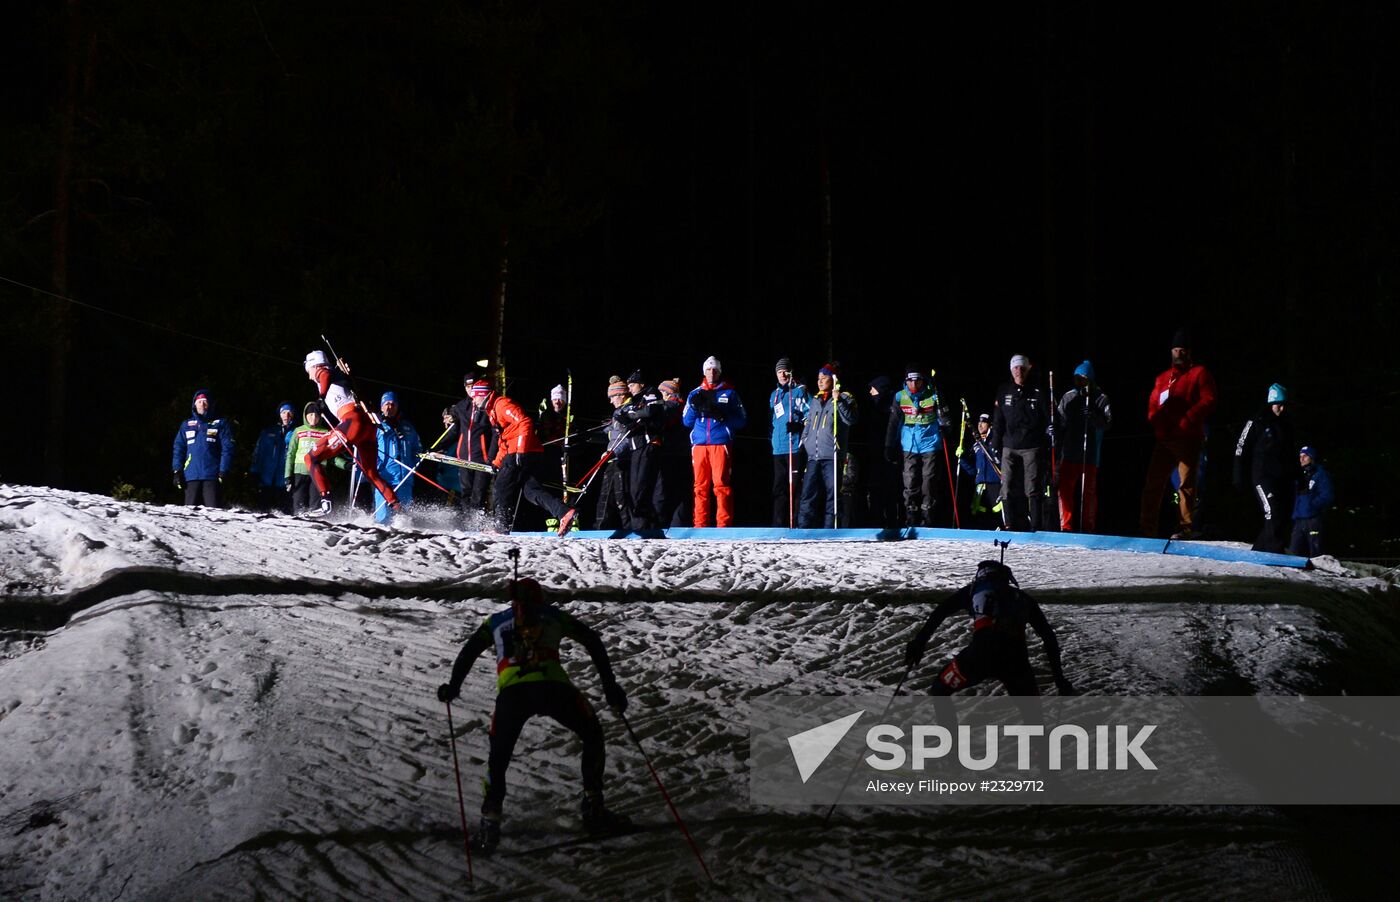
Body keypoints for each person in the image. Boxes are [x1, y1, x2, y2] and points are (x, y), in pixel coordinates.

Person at [436, 576, 630, 851]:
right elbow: (592, 640)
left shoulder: (496, 621)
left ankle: (490, 824)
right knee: (592, 733)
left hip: (513, 693)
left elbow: (469, 651)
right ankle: (593, 808)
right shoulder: (552, 615)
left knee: (499, 755)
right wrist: (609, 687)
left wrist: (453, 687)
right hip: (553, 686)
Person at [903, 560, 1076, 697]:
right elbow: (1048, 637)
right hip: (1016, 659)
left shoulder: (972, 591)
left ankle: (952, 740)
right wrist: (1059, 678)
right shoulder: (1024, 598)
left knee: (940, 690)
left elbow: (940, 612)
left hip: (980, 655)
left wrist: (920, 642)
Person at [1139, 329, 1218, 539]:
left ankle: (1185, 528)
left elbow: (1208, 399)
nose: (1178, 353)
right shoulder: (1164, 378)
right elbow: (1153, 405)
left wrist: (1189, 418)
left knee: (1186, 485)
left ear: (1189, 352)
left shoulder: (1199, 373)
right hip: (1165, 439)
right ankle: (1147, 530)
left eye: (1182, 349)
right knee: (1153, 484)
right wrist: (1157, 425)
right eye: (1175, 349)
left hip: (1188, 438)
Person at [302, 351, 400, 517]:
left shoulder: (323, 372)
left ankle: (325, 504)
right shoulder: (338, 375)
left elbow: (324, 374)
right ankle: (397, 508)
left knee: (310, 458)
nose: (309, 374)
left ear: (314, 365)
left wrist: (321, 398)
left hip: (352, 422)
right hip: (367, 427)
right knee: (371, 473)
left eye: (308, 369)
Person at [475, 380, 577, 533]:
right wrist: (497, 462)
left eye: (475, 396)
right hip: (527, 450)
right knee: (531, 491)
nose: (473, 400)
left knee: (501, 486)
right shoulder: (492, 411)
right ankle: (564, 512)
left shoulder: (501, 404)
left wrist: (521, 450)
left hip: (521, 451)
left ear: (482, 395)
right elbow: (505, 438)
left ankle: (501, 527)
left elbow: (525, 422)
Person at [683, 356, 747, 527]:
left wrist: (723, 415)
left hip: (720, 443)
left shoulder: (729, 393)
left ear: (719, 372)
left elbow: (742, 420)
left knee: (721, 484)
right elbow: (686, 421)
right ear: (704, 372)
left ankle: (723, 525)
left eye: (715, 369)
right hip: (699, 444)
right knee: (700, 486)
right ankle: (700, 524)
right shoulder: (695, 393)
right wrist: (695, 409)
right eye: (709, 369)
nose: (712, 372)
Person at [1233, 383, 1297, 553]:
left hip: (1281, 478)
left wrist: (1297, 475)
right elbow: (1241, 448)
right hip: (1262, 476)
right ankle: (1276, 549)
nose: (1282, 409)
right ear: (1271, 404)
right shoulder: (1257, 421)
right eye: (1278, 405)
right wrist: (1238, 475)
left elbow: (1291, 452)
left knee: (1282, 514)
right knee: (1272, 511)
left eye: (1284, 405)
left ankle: (1260, 550)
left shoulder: (1286, 425)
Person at [993, 355, 1051, 531]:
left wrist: (1051, 429)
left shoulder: (1038, 391)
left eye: (1022, 368)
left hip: (1031, 445)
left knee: (1032, 487)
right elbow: (998, 419)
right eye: (1016, 368)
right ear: (1011, 370)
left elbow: (1048, 417)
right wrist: (995, 443)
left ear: (1028, 370)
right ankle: (1009, 524)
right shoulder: (1004, 390)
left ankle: (1035, 526)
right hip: (1009, 445)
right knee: (1007, 485)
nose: (1019, 371)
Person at [885, 365, 947, 527]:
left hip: (930, 443)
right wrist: (889, 445)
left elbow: (945, 418)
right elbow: (893, 423)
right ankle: (911, 515)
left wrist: (946, 424)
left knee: (929, 480)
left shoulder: (933, 395)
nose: (913, 385)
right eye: (910, 381)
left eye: (917, 381)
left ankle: (928, 515)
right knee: (910, 480)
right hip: (909, 445)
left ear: (922, 381)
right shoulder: (900, 396)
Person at [1055, 361, 1113, 533]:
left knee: (1088, 492)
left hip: (1090, 452)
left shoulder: (1100, 397)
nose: (1080, 381)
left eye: (1083, 378)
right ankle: (1066, 525)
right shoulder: (1069, 396)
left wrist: (1094, 417)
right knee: (1065, 490)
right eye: (1077, 378)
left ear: (1090, 379)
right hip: (1070, 451)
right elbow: (1060, 420)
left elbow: (1107, 422)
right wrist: (1053, 428)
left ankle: (1088, 526)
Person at [799, 363, 857, 528]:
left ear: (833, 380)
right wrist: (805, 441)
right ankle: (804, 527)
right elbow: (809, 423)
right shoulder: (816, 399)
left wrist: (839, 401)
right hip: (813, 455)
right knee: (808, 493)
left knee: (833, 494)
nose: (820, 382)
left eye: (824, 378)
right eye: (818, 379)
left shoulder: (845, 397)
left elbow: (851, 419)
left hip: (831, 454)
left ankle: (830, 527)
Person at [617, 371, 665, 531]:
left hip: (648, 445)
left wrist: (632, 414)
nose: (629, 389)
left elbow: (650, 411)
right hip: (636, 447)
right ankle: (640, 524)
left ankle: (645, 525)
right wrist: (627, 417)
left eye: (632, 385)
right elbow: (628, 416)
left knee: (641, 487)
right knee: (634, 488)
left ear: (641, 384)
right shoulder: (636, 400)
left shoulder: (651, 393)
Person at [443, 371, 496, 520]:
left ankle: (479, 522)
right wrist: (437, 447)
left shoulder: (486, 406)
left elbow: (495, 433)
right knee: (466, 492)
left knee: (478, 494)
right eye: (467, 386)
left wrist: (491, 456)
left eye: (473, 386)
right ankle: (468, 523)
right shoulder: (461, 407)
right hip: (464, 456)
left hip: (482, 458)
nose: (470, 390)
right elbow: (454, 432)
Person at [171, 388, 235, 508]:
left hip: (212, 474)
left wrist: (224, 470)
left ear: (210, 403)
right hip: (191, 475)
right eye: (199, 402)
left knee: (213, 513)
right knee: (190, 513)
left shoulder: (221, 423)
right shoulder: (186, 425)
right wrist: (177, 471)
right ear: (194, 404)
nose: (202, 404)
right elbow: (179, 448)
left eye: (205, 401)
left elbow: (228, 448)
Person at [768, 358, 810, 527]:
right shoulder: (774, 395)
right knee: (779, 488)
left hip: (795, 446)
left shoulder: (800, 391)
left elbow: (810, 414)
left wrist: (799, 426)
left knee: (796, 488)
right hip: (778, 448)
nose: (783, 375)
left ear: (791, 373)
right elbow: (773, 419)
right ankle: (778, 525)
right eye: (779, 372)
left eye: (786, 371)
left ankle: (798, 524)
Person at [371, 392, 423, 523]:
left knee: (403, 519)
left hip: (405, 478)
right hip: (385, 478)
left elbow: (417, 449)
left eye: (393, 404)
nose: (390, 407)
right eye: (386, 404)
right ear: (382, 407)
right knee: (383, 518)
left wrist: (414, 465)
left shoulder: (408, 427)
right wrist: (376, 466)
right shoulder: (376, 427)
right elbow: (368, 450)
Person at [285, 401, 343, 513]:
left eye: (316, 415)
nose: (313, 417)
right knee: (298, 501)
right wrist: (288, 475)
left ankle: (315, 523)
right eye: (310, 414)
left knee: (315, 504)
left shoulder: (325, 432)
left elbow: (331, 455)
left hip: (318, 471)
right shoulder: (299, 431)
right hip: (300, 471)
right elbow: (291, 454)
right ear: (305, 415)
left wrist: (345, 464)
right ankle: (298, 520)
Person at [594, 378, 634, 531]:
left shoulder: (628, 411)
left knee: (621, 496)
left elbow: (627, 437)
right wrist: (587, 437)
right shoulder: (617, 412)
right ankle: (601, 527)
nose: (610, 401)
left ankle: (629, 527)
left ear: (621, 395)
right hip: (612, 459)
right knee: (605, 496)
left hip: (623, 459)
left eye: (612, 397)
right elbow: (609, 432)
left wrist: (613, 452)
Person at [653, 378, 692, 527]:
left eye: (663, 391)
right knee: (680, 491)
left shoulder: (672, 406)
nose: (661, 394)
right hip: (682, 453)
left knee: (662, 491)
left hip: (671, 452)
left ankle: (661, 523)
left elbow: (664, 420)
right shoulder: (682, 405)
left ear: (669, 392)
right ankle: (678, 523)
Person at [249, 402, 297, 513]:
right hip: (266, 479)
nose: (286, 415)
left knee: (284, 515)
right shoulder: (268, 432)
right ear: (279, 414)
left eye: (290, 413)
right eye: (284, 412)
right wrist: (254, 471)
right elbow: (258, 453)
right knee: (262, 514)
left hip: (284, 481)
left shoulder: (296, 432)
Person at [961, 413, 1004, 530]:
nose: (980, 425)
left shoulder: (995, 441)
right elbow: (972, 471)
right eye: (979, 422)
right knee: (979, 513)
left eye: (983, 422)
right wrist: (962, 458)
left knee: (999, 511)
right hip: (980, 485)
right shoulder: (976, 445)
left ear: (990, 425)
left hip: (995, 483)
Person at [1290, 445, 1334, 557]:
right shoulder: (1299, 474)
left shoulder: (1321, 474)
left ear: (1312, 457)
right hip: (1299, 519)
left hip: (1313, 519)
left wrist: (1311, 506)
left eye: (1305, 456)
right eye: (1300, 456)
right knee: (1294, 553)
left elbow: (1327, 495)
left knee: (1316, 553)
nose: (1302, 459)